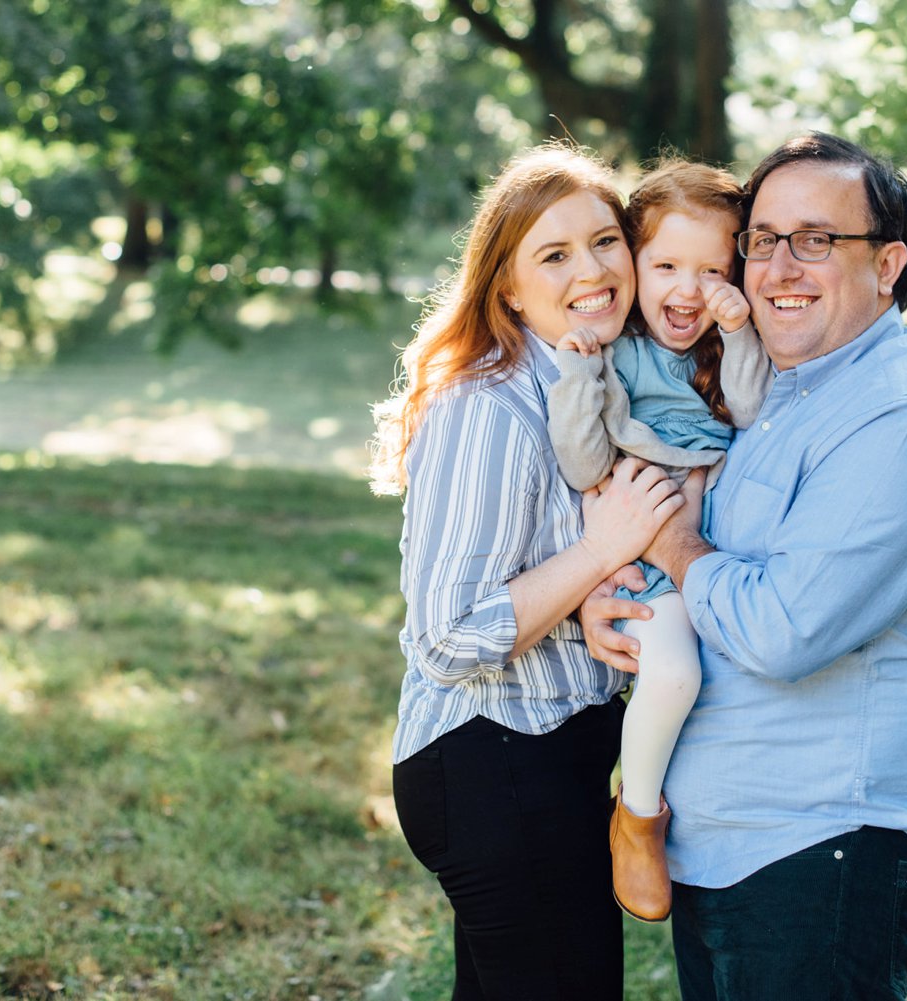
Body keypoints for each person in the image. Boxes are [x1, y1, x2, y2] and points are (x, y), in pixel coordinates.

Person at [582, 132, 907, 1000]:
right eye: (762, 240)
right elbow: (705, 571)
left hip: (825, 846)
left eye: (814, 240)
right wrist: (615, 593)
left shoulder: (899, 416)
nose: (777, 266)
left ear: (888, 264)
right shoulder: (781, 392)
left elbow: (781, 627)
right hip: (729, 840)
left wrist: (666, 542)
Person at [370, 141, 684, 1001]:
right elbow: (445, 635)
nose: (592, 269)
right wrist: (600, 551)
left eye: (605, 241)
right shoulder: (491, 405)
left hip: (548, 756)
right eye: (554, 254)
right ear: (506, 285)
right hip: (493, 763)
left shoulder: (594, 384)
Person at [545, 157, 772, 923]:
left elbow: (744, 405)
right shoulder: (608, 354)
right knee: (675, 678)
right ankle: (638, 818)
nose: (687, 289)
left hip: (711, 552)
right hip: (650, 556)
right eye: (667, 264)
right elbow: (582, 462)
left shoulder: (717, 350)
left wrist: (737, 330)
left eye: (712, 270)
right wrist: (579, 377)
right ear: (634, 261)